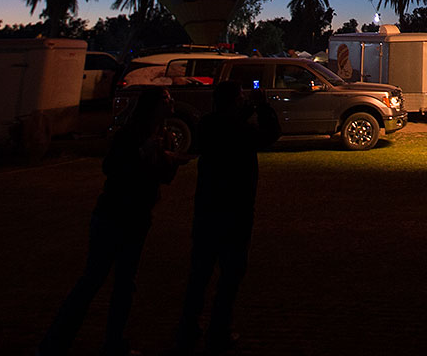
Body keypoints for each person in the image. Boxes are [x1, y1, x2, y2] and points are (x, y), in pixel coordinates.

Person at [40, 87, 184, 356]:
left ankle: (113, 342)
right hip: (114, 214)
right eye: (166, 98)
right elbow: (112, 167)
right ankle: (55, 342)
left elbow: (163, 177)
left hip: (138, 216)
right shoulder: (131, 135)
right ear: (153, 106)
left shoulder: (162, 135)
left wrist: (171, 161)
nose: (172, 102)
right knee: (93, 279)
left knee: (124, 283)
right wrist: (146, 152)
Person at [172, 81, 281, 355]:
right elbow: (269, 135)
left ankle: (188, 325)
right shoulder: (239, 131)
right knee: (231, 274)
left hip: (207, 208)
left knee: (200, 272)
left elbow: (228, 125)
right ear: (234, 101)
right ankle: (219, 329)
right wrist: (263, 106)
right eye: (241, 97)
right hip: (236, 210)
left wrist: (244, 109)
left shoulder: (208, 125)